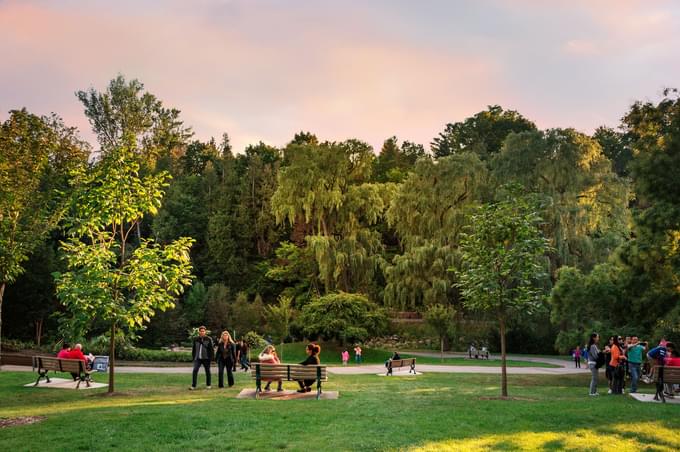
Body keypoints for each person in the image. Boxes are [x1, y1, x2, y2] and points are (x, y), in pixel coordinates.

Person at [190, 326, 214, 390]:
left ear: (205, 332)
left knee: (207, 371)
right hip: (198, 358)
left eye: (203, 331)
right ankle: (193, 386)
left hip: (206, 358)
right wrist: (193, 357)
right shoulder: (196, 339)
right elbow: (194, 349)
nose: (202, 332)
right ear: (199, 332)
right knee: (195, 370)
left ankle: (208, 385)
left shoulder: (209, 339)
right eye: (201, 331)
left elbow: (211, 349)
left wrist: (211, 358)